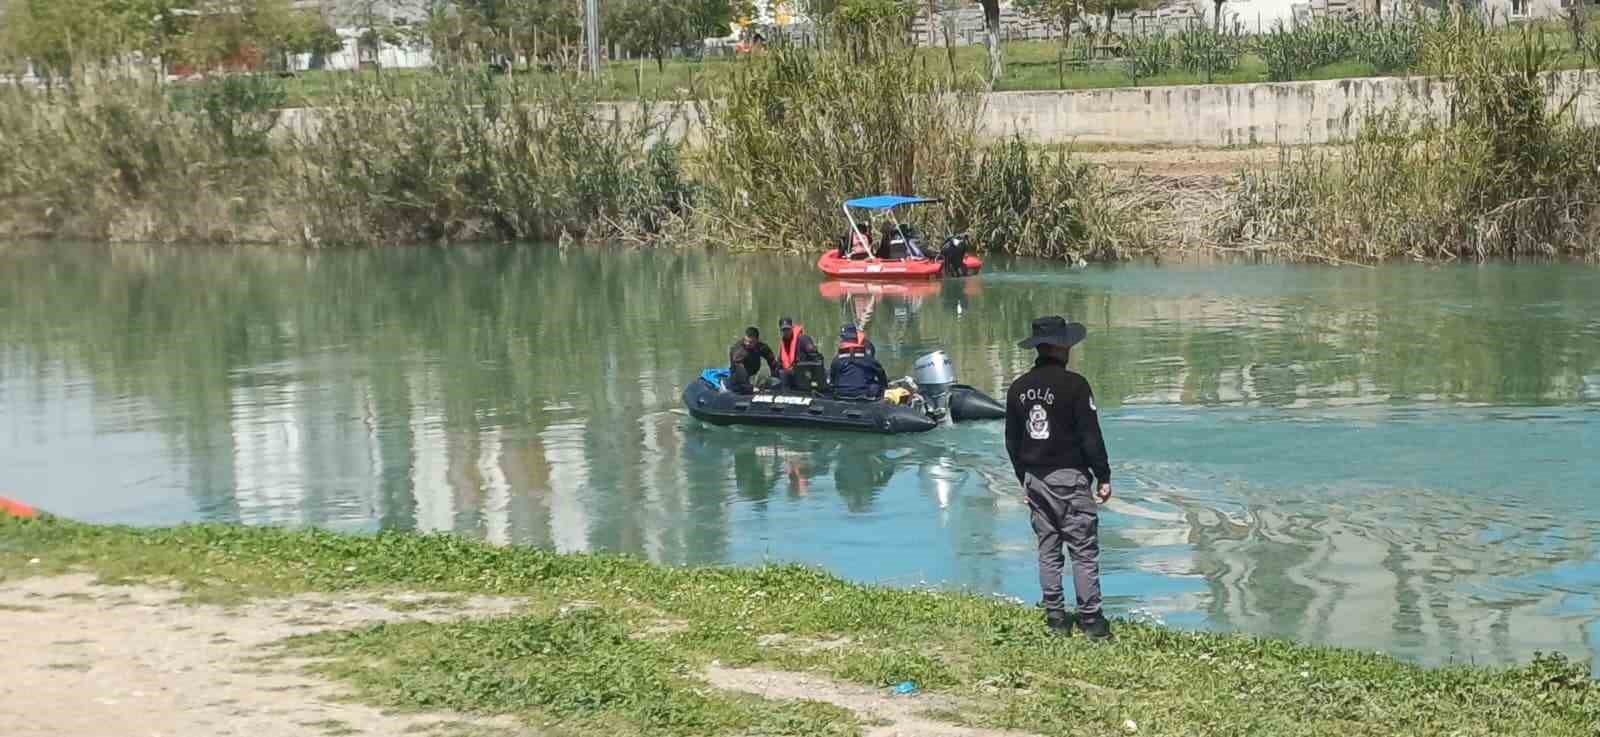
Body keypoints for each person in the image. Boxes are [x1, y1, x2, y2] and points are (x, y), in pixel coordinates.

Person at [1005, 316, 1113, 641]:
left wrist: (1023, 478)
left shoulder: (1018, 388)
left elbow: (1012, 441)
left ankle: (1055, 618)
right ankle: (1091, 621)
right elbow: (1090, 436)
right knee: (1082, 548)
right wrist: (1103, 475)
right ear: (1059, 347)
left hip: (1035, 478)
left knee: (1048, 548)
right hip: (1070, 478)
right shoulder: (1075, 385)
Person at [829, 324, 886, 400]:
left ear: (843, 340)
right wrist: (885, 387)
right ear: (856, 339)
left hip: (841, 394)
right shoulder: (868, 359)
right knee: (876, 385)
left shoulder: (837, 359)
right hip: (862, 394)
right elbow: (881, 374)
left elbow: (833, 380)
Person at [776, 317, 826, 391]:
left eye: (788, 329)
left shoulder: (803, 339)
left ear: (792, 328)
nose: (786, 332)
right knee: (781, 374)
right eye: (784, 330)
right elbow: (780, 364)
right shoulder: (783, 345)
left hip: (804, 376)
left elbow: (817, 359)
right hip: (791, 377)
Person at [728, 326, 777, 394]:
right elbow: (740, 370)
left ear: (757, 340)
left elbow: (771, 360)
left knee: (773, 381)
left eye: (751, 342)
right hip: (738, 379)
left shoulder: (761, 347)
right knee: (741, 385)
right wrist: (750, 388)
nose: (747, 344)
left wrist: (774, 373)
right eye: (746, 341)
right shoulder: (739, 350)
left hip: (753, 375)